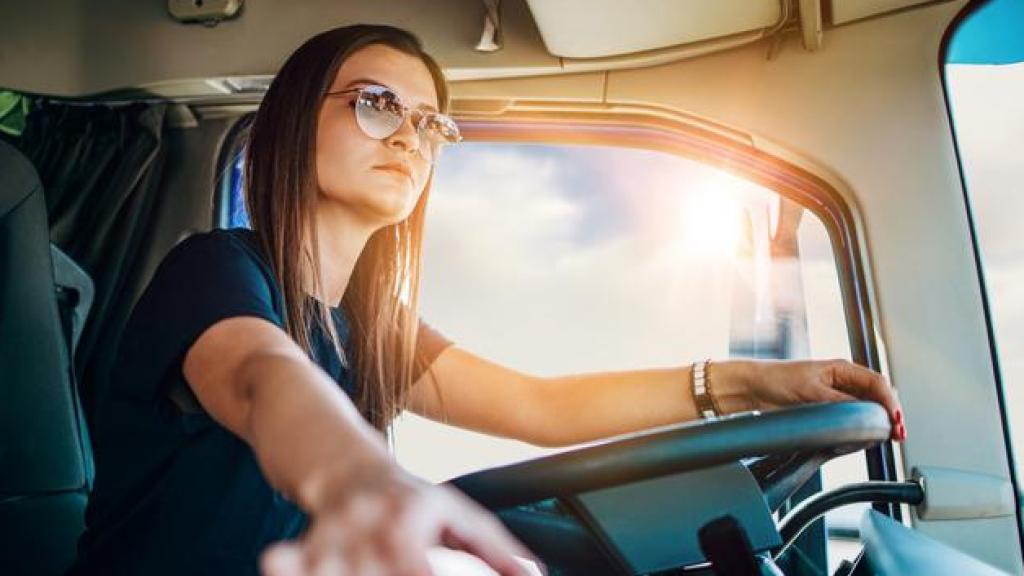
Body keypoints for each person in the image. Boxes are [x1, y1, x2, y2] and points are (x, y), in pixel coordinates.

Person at [66, 24, 905, 576]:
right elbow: (261, 376)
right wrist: (359, 479)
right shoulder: (216, 271)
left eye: (430, 123)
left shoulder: (369, 331)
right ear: (292, 122)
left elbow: (545, 406)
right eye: (375, 104)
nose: (409, 135)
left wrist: (749, 386)